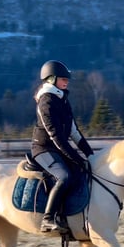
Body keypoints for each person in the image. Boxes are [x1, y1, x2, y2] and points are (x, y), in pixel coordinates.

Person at [31, 60, 94, 233]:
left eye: (67, 78)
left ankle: (71, 217)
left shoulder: (62, 99)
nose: (66, 80)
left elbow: (74, 132)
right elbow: (56, 136)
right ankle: (48, 219)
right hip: (43, 149)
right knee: (64, 177)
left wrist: (90, 155)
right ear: (51, 79)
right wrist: (76, 157)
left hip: (59, 148)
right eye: (62, 78)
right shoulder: (46, 102)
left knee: (83, 170)